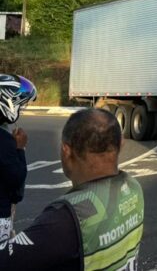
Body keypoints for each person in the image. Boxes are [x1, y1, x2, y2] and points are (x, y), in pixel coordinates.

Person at [0, 108, 145, 270]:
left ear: (66, 151)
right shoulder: (133, 189)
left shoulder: (66, 219)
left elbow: (6, 261)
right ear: (121, 144)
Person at [0, 74, 36, 249]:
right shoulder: (5, 141)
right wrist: (20, 148)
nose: (20, 109)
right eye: (19, 104)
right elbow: (16, 183)